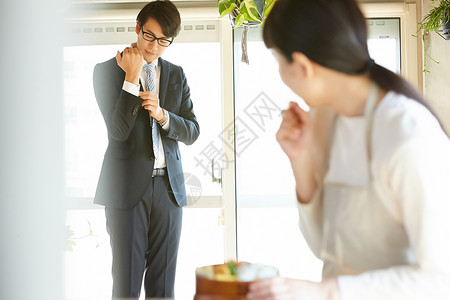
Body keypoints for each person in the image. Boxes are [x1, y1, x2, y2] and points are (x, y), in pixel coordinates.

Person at [247, 0, 450, 299]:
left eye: (278, 61)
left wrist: (324, 291)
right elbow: (324, 249)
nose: (280, 73)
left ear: (303, 66)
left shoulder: (408, 134)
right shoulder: (326, 119)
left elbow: (439, 280)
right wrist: (301, 161)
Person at [92, 1, 200, 298]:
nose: (155, 46)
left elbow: (192, 131)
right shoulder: (105, 72)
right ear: (138, 29)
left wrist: (164, 116)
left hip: (169, 190)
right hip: (126, 191)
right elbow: (118, 132)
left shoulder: (176, 74)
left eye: (164, 41)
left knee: (164, 288)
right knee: (126, 286)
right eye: (150, 36)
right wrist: (130, 77)